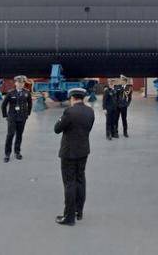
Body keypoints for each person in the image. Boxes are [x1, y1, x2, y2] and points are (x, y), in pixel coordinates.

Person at [54, 88, 95, 226]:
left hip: (69, 153)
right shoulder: (90, 111)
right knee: (80, 180)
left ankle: (69, 217)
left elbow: (57, 129)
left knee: (69, 183)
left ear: (72, 98)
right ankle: (79, 212)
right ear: (82, 98)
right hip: (83, 151)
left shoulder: (69, 112)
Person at [1, 75, 33, 162]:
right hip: (12, 117)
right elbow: (4, 105)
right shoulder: (10, 93)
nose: (21, 84)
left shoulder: (27, 92)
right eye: (19, 82)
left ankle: (17, 152)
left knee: (19, 135)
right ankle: (7, 154)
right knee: (10, 135)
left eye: (22, 83)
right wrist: (5, 115)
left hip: (22, 117)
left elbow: (30, 103)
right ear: (15, 83)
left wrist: (27, 114)